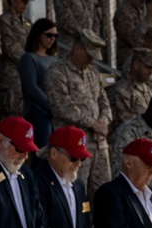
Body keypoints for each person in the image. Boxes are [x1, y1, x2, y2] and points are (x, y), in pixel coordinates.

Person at [45, 28, 112, 198]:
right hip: (73, 148)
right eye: (88, 54)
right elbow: (62, 106)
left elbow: (104, 102)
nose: (91, 59)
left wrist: (103, 122)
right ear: (77, 47)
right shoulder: (58, 71)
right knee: (75, 194)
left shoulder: (92, 73)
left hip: (99, 145)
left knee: (103, 196)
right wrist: (92, 123)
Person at [19, 18, 59, 148]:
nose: (52, 38)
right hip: (38, 114)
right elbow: (31, 88)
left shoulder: (56, 59)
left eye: (55, 36)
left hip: (56, 115)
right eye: (49, 35)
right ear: (38, 34)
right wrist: (51, 106)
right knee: (42, 154)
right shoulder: (29, 58)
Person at [0, 0, 32, 118]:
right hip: (12, 76)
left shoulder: (27, 22)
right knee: (13, 114)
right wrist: (30, 62)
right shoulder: (4, 21)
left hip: (28, 75)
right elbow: (9, 47)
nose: (26, 4)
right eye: (23, 1)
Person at [108, 48, 152, 133]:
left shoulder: (150, 89)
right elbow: (127, 124)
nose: (151, 72)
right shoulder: (120, 90)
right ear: (136, 65)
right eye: (148, 67)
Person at [114, 0, 145, 67]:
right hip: (127, 58)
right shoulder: (124, 12)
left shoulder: (137, 9)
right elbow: (131, 37)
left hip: (137, 58)